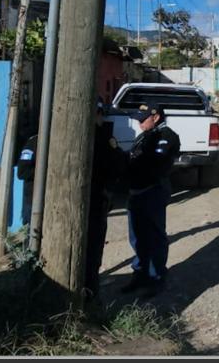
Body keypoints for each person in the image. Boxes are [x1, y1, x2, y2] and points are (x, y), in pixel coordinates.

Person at [120, 103, 180, 297]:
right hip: (136, 192)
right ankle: (140, 273)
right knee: (137, 236)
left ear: (155, 117)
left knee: (154, 235)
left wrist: (133, 162)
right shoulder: (144, 136)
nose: (139, 123)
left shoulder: (166, 136)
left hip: (153, 190)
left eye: (142, 119)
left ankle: (156, 277)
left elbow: (155, 163)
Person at [86, 98, 124, 301]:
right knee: (92, 249)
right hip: (96, 199)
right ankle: (91, 295)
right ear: (98, 113)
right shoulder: (102, 136)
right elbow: (117, 164)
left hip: (71, 203)